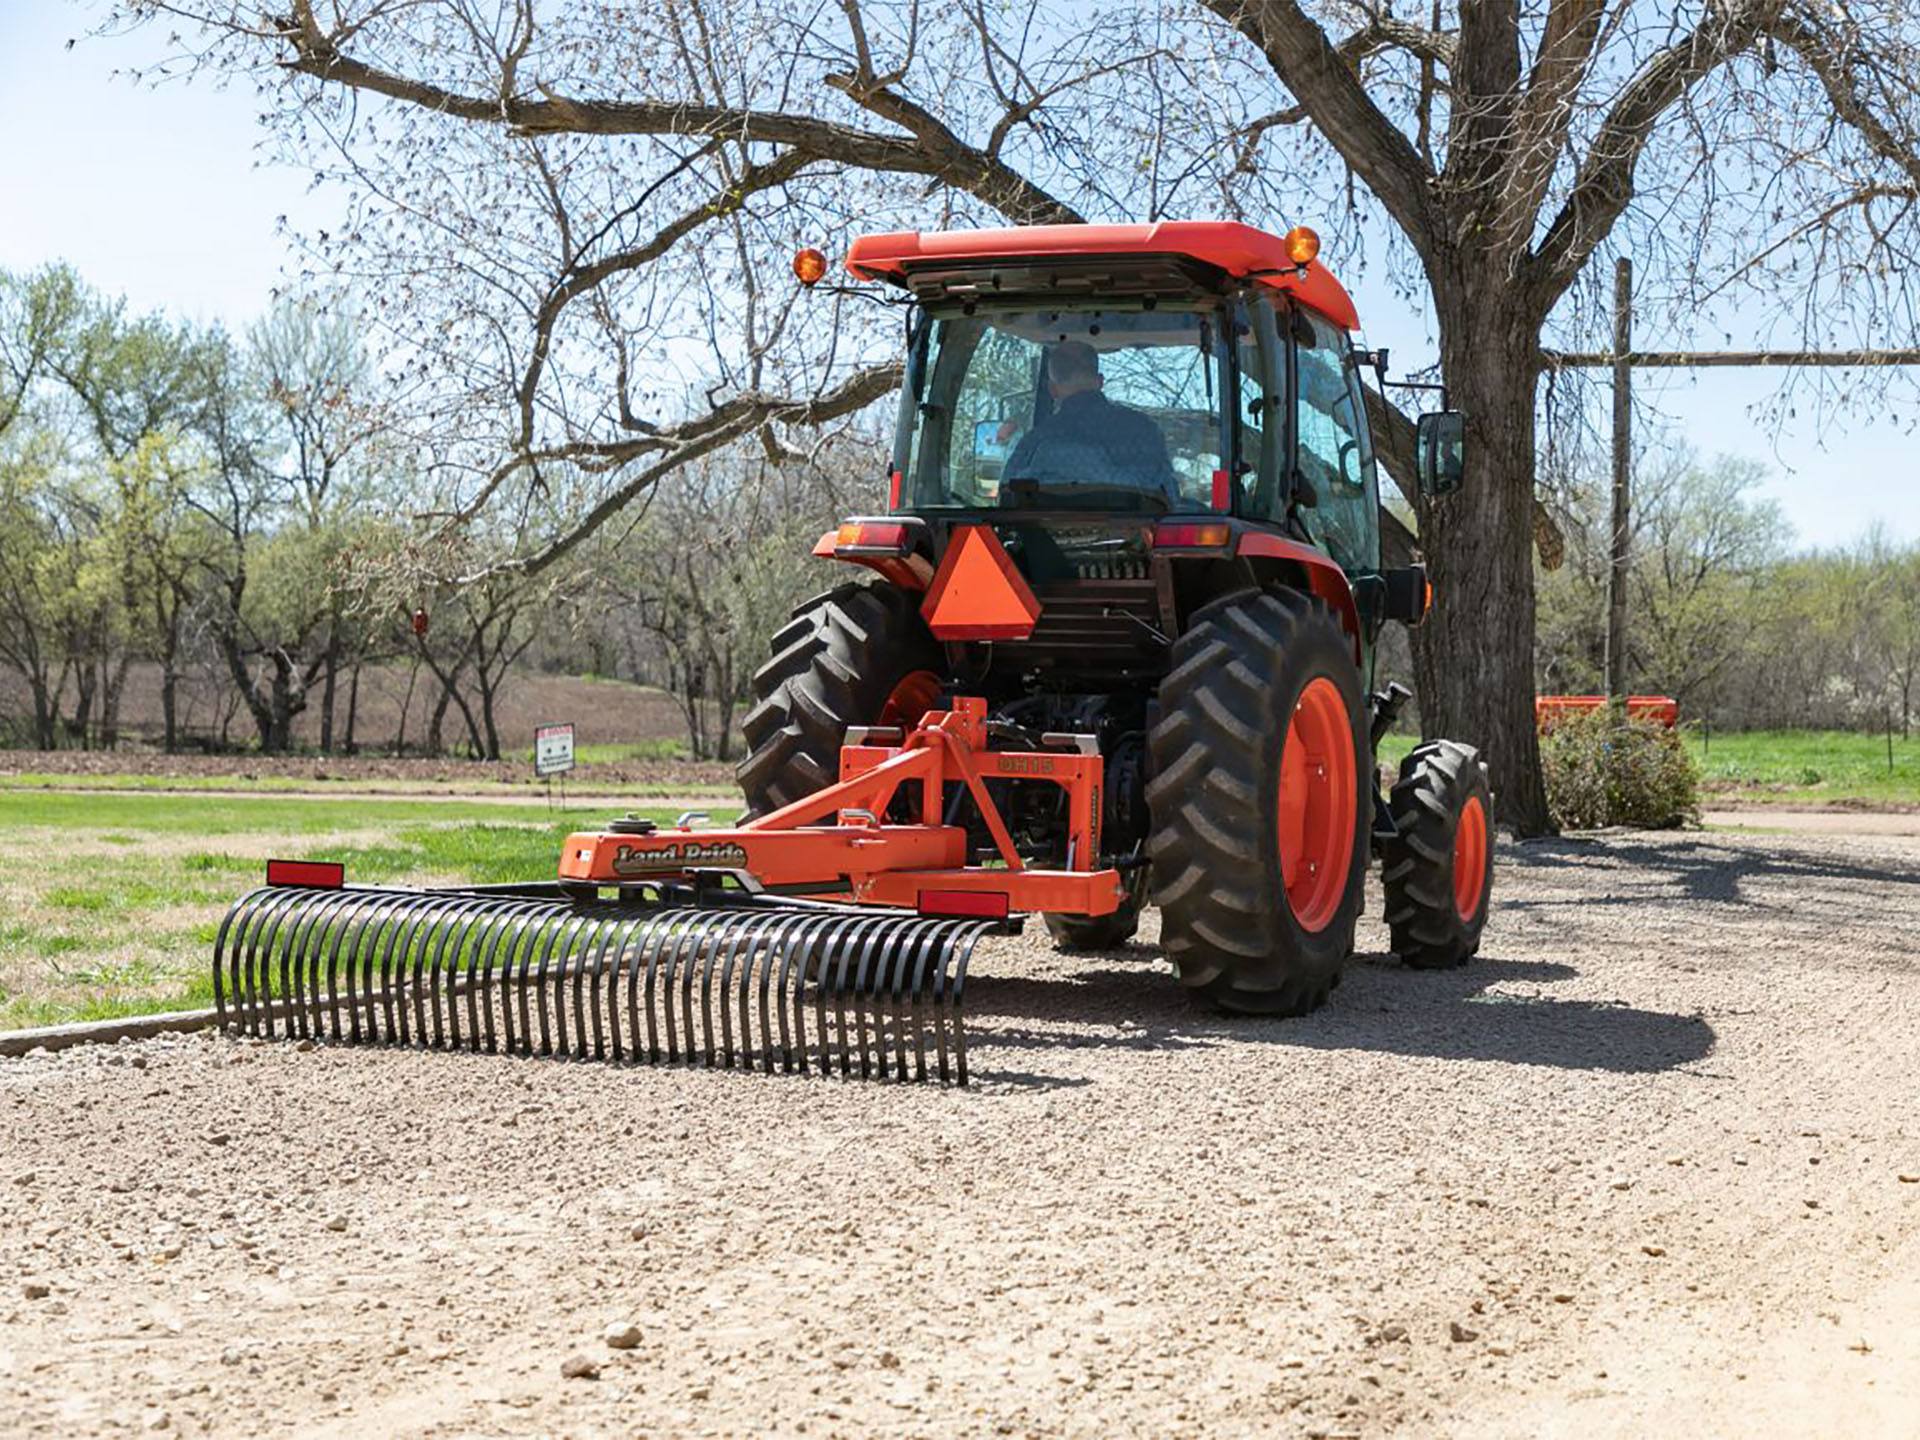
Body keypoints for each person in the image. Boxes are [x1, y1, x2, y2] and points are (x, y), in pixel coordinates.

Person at [1002, 341, 1176, 500]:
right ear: (1100, 382)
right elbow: (1169, 497)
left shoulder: (1035, 442)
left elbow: (1007, 497)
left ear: (1052, 389)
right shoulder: (1144, 431)